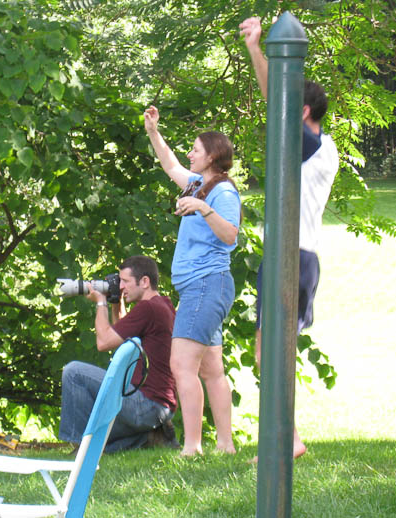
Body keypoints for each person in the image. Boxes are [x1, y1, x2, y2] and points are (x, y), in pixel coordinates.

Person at [240, 17, 340, 459]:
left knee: (272, 353)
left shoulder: (316, 147)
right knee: (272, 352)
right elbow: (274, 104)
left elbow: (271, 100)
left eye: (288, 104)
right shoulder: (317, 146)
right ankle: (288, 437)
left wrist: (256, 49)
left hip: (291, 256)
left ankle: (287, 439)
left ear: (301, 112)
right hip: (295, 256)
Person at [144, 107, 242, 456]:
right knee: (211, 370)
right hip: (200, 288)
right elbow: (170, 164)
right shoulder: (200, 184)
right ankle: (226, 446)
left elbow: (230, 235)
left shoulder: (222, 194)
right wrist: (154, 132)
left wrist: (203, 209)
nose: (189, 153)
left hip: (206, 285)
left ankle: (192, 447)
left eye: (196, 150)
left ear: (212, 156)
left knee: (181, 365)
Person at [58, 255, 179, 452]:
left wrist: (100, 303)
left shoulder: (148, 308)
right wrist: (116, 302)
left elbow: (104, 342)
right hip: (158, 407)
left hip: (146, 404)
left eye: (125, 281)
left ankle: (81, 445)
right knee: (104, 439)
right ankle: (145, 436)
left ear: (145, 282)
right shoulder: (162, 304)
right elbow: (123, 335)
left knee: (74, 372)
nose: (121, 286)